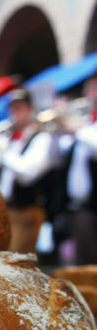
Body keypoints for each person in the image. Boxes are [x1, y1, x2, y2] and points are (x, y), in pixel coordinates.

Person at [0, 88, 55, 254]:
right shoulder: (11, 139)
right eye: (12, 109)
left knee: (18, 261)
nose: (15, 114)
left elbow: (27, 175)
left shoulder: (41, 138)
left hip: (26, 211)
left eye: (19, 108)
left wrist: (3, 151)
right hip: (6, 212)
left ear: (30, 109)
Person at [67, 74, 97, 264]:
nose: (87, 94)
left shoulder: (85, 130)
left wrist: (78, 130)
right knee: (84, 267)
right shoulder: (88, 124)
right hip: (83, 207)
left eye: (92, 88)